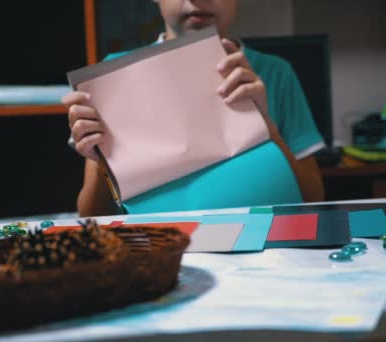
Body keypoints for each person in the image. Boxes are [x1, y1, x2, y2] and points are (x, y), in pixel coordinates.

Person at [62, 0, 325, 217]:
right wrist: (101, 162)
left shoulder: (275, 73)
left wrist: (266, 128)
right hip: (161, 252)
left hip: (261, 254)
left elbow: (314, 199)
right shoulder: (111, 80)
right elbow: (90, 216)